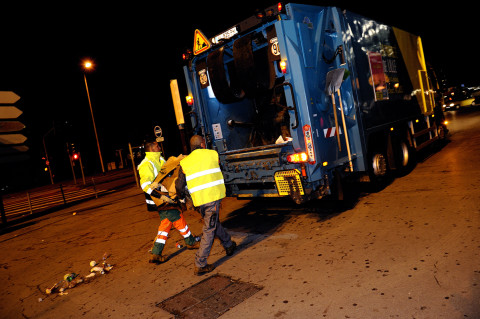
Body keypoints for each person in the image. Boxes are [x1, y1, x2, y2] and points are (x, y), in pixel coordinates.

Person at [176, 135, 236, 275]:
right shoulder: (212, 154)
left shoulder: (185, 163)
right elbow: (219, 169)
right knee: (209, 229)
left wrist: (182, 200)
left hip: (198, 202)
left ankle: (228, 244)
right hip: (212, 198)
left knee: (212, 223)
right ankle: (200, 263)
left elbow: (179, 186)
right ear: (202, 144)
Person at [138, 140, 199, 264]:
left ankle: (156, 253)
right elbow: (145, 185)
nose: (159, 146)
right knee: (176, 216)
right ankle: (190, 242)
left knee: (166, 223)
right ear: (151, 148)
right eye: (156, 145)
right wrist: (161, 197)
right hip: (159, 199)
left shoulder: (160, 159)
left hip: (166, 196)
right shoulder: (146, 164)